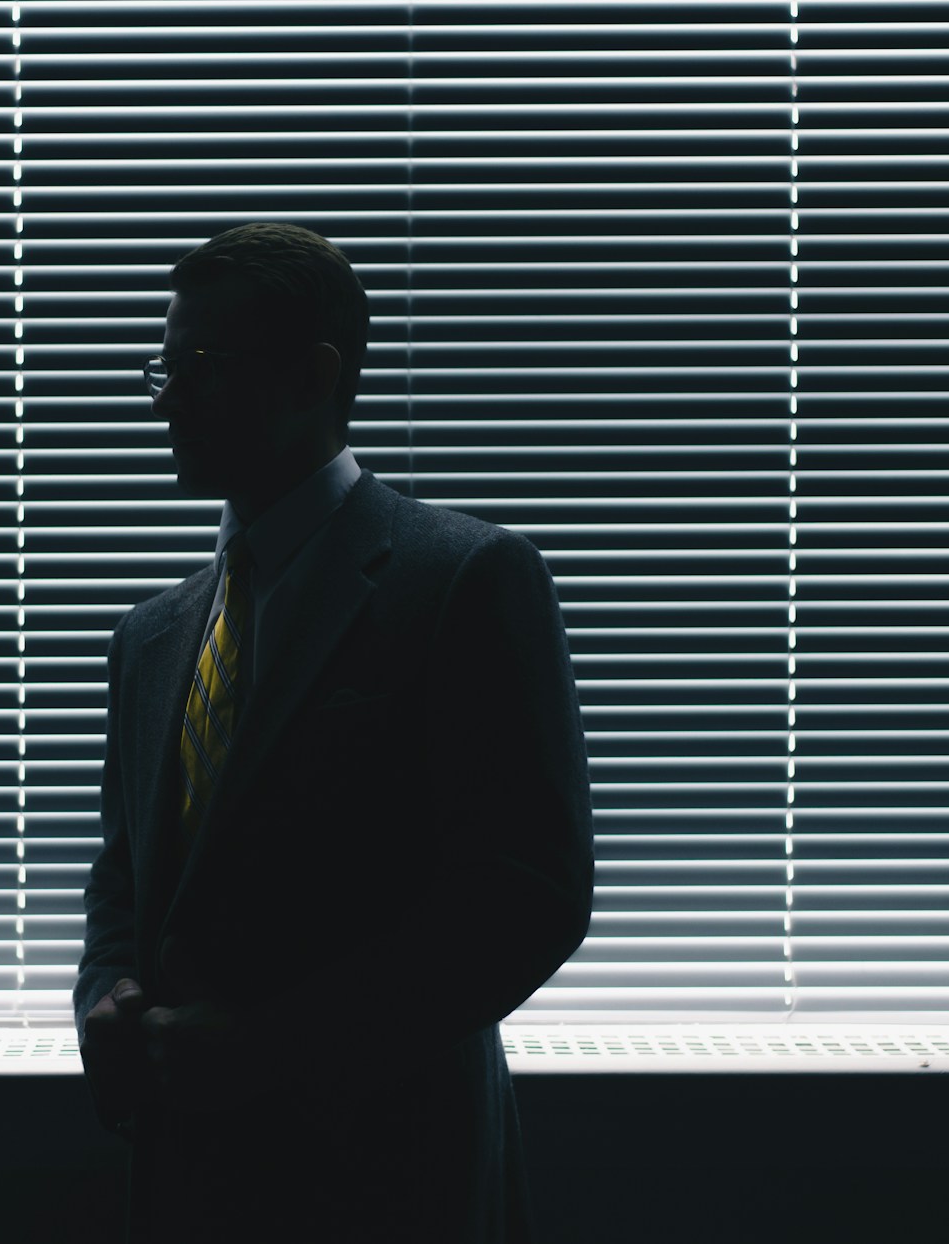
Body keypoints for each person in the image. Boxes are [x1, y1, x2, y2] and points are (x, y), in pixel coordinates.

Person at [73, 222, 593, 1243]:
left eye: (197, 367)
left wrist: (275, 1045)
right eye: (159, 365)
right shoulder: (151, 636)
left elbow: (528, 894)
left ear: (315, 377)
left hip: (393, 1178)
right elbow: (126, 876)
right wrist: (107, 991)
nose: (161, 395)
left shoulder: (465, 582)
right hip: (189, 1179)